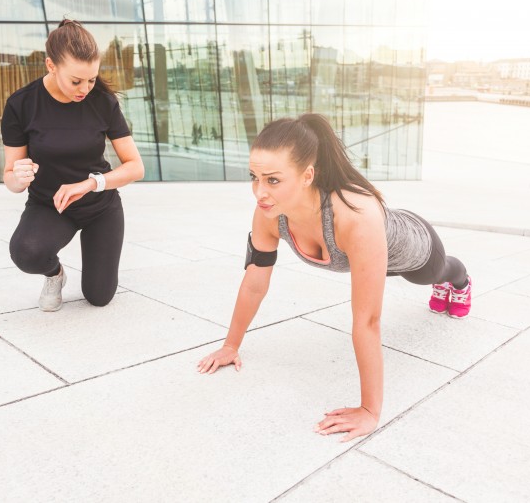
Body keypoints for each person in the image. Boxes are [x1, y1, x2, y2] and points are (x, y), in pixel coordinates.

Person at [196, 114, 471, 442]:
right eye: (254, 177)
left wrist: (370, 410)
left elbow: (367, 320)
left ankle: (461, 281)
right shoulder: (269, 215)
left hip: (414, 248)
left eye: (272, 180)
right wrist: (231, 345)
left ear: (307, 175)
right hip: (369, 257)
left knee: (434, 274)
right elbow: (255, 281)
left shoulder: (355, 214)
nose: (259, 191)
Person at [1, 19, 144, 311]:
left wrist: (92, 183)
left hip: (100, 206)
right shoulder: (21, 105)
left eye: (91, 79)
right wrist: (19, 176)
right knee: (26, 253)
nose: (85, 89)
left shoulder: (102, 101)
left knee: (98, 297)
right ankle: (55, 276)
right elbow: (11, 179)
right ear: (51, 66)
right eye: (76, 81)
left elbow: (135, 167)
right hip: (51, 206)